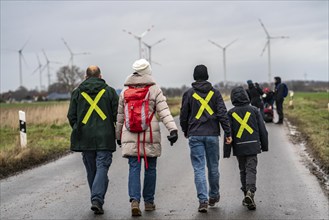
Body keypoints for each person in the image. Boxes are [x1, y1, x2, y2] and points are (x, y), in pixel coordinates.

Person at [115, 59, 178, 217]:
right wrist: (173, 129)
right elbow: (163, 111)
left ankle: (134, 201)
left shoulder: (124, 92)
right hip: (150, 134)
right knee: (151, 169)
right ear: (148, 71)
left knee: (134, 168)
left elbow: (120, 117)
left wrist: (118, 135)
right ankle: (149, 202)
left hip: (130, 134)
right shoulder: (154, 89)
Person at [180, 64, 232, 213]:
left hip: (195, 135)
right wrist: (228, 133)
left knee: (199, 169)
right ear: (207, 76)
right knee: (213, 167)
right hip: (212, 135)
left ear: (194, 76)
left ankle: (202, 201)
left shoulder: (189, 94)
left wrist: (185, 130)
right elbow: (222, 114)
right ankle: (214, 195)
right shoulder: (215, 94)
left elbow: (184, 115)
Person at [67, 65, 119, 215]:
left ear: (86, 76)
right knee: (102, 167)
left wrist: (78, 128)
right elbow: (117, 114)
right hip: (105, 136)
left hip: (85, 137)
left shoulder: (77, 93)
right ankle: (97, 198)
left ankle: (96, 199)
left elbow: (71, 116)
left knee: (92, 170)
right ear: (100, 76)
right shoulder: (109, 91)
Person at [224, 86, 268, 210]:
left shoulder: (231, 113)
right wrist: (264, 145)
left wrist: (227, 151)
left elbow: (228, 133)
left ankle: (246, 195)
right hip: (253, 144)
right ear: (246, 96)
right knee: (251, 170)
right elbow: (262, 130)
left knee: (243, 170)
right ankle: (250, 193)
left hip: (239, 147)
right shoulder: (254, 110)